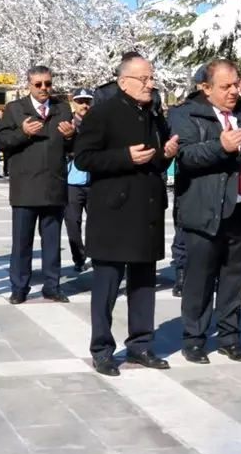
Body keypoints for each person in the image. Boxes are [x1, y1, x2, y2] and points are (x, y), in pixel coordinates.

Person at [75, 55, 180, 376]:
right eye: (144, 79)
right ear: (123, 82)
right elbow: (83, 158)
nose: (150, 84)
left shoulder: (151, 114)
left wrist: (165, 156)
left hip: (146, 209)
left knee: (144, 283)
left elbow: (153, 161)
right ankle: (102, 349)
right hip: (113, 212)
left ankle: (141, 345)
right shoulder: (103, 113)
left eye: (152, 78)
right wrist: (124, 157)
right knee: (107, 284)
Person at [170, 59, 241, 363]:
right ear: (205, 88)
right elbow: (186, 156)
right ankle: (194, 338)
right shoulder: (185, 113)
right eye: (225, 86)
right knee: (200, 280)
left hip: (240, 210)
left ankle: (230, 337)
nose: (234, 91)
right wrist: (220, 146)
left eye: (235, 84)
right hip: (203, 211)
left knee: (233, 279)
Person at [0, 66, 76, 304]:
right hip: (25, 187)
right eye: (39, 84)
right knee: (22, 242)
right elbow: (1, 141)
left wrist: (72, 135)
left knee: (52, 242)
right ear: (29, 85)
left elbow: (74, 148)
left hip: (54, 186)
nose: (44, 89)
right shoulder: (15, 109)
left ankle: (52, 286)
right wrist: (23, 132)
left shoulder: (62, 108)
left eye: (48, 84)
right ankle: (19, 287)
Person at [170, 66, 208, 297]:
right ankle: (181, 273)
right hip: (190, 183)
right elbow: (184, 149)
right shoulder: (182, 112)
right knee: (183, 233)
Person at [65, 88, 94, 274]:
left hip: (94, 181)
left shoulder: (97, 124)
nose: (84, 105)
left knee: (96, 223)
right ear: (73, 103)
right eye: (80, 101)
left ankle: (95, 254)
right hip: (72, 182)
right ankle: (79, 257)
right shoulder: (67, 123)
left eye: (87, 101)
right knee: (72, 223)